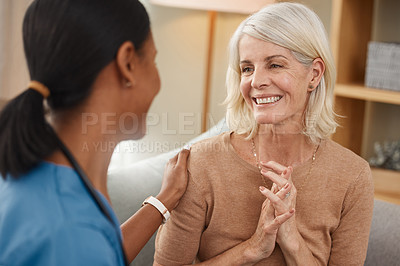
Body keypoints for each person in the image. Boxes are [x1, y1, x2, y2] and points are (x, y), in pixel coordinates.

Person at [154, 2, 374, 265]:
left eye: (275, 65)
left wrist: (290, 238)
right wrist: (253, 248)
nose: (256, 82)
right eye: (247, 68)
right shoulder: (201, 164)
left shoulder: (353, 177)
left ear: (314, 74)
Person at [0, 0, 189, 265]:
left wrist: (164, 200)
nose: (158, 81)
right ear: (128, 64)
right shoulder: (68, 230)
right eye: (154, 60)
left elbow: (102, 249)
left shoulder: (42, 176)